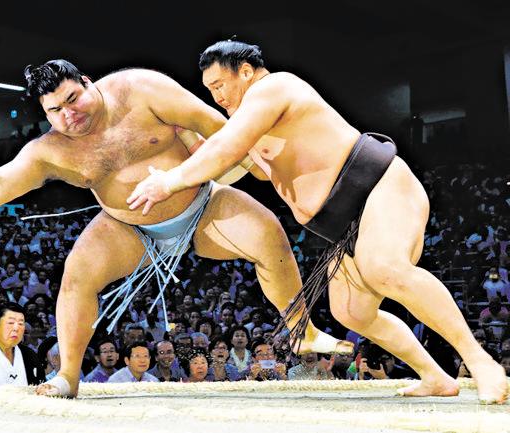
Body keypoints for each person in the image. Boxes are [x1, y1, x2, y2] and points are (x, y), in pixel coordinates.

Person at [0, 59, 347, 397]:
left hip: (202, 205)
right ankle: (67, 376)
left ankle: (300, 329)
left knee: (270, 235)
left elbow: (219, 128)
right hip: (126, 228)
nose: (70, 115)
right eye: (55, 111)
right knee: (77, 276)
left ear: (87, 82)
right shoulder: (52, 150)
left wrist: (249, 161)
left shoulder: (142, 88)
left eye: (73, 98)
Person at [127, 39, 508, 404]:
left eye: (219, 85)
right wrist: (191, 152)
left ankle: (480, 363)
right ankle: (435, 376)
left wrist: (170, 181)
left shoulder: (274, 88)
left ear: (245, 70)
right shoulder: (254, 118)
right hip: (340, 225)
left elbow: (227, 150)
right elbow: (254, 170)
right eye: (210, 90)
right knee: (351, 311)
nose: (217, 96)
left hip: (377, 186)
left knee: (385, 268)